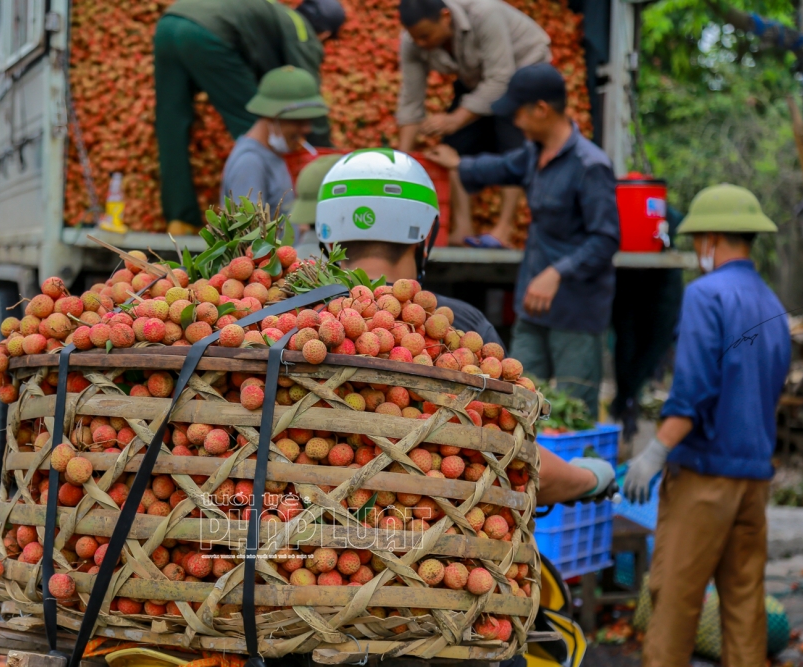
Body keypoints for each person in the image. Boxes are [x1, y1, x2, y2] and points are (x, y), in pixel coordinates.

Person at [312, 147, 615, 505]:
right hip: (434, 541)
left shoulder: (297, 323)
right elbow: (519, 467)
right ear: (427, 238)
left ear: (327, 240)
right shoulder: (459, 329)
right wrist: (592, 477)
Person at [623, 184, 790, 667]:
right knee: (743, 606)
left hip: (704, 479)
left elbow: (692, 391)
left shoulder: (706, 294)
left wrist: (654, 453)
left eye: (698, 241)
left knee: (674, 599)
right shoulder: (774, 306)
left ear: (710, 238)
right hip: (754, 481)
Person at [426, 63, 619, 417]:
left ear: (541, 109)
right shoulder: (534, 154)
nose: (515, 122)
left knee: (573, 411)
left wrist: (557, 272)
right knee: (518, 402)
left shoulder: (590, 166)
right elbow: (499, 167)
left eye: (518, 113)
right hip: (532, 306)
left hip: (575, 311)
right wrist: (457, 163)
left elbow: (606, 240)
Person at [155, 0, 345, 234]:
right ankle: (264, 220)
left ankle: (180, 218)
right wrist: (321, 154)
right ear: (325, 34)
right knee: (259, 124)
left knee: (171, 122)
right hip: (208, 32)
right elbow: (305, 96)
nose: (303, 128)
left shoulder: (278, 17)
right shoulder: (301, 29)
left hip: (169, 22)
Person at [395, 0, 550, 247]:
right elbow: (411, 101)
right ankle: (463, 228)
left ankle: (504, 229)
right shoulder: (412, 40)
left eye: (426, 36)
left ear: (446, 17)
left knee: (511, 144)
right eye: (417, 39)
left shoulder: (484, 14)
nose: (421, 44)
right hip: (478, 80)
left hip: (522, 73)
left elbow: (501, 79)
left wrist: (456, 119)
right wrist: (399, 163)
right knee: (453, 145)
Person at [220, 67, 329, 212]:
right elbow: (247, 232)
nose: (307, 129)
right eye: (298, 120)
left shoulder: (271, 154)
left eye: (309, 120)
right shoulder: (250, 163)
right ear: (271, 117)